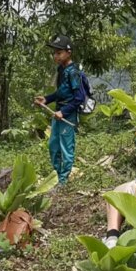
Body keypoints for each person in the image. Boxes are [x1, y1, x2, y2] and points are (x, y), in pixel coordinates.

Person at [34, 35, 85, 185]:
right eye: (54, 53)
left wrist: (64, 112)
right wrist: (47, 99)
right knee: (53, 146)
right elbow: (61, 92)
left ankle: (63, 181)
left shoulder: (73, 72)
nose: (55, 56)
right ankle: (57, 175)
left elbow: (79, 97)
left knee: (66, 148)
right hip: (58, 113)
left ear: (68, 52)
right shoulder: (61, 70)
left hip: (66, 116)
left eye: (59, 52)